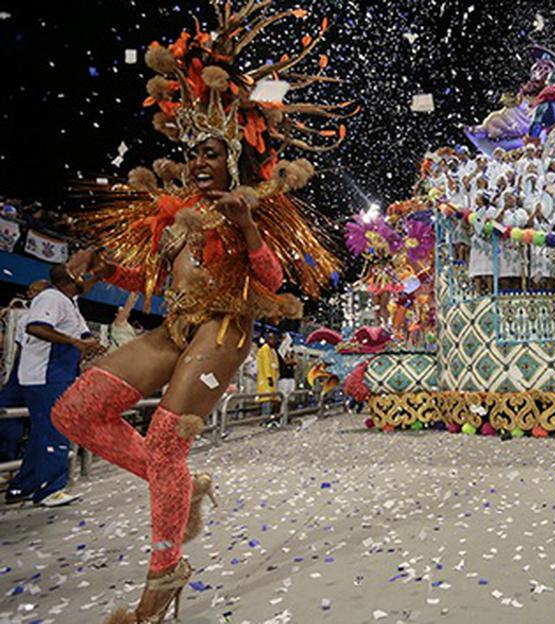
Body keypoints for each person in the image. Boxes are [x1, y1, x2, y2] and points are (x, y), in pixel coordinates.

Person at [46, 3, 353, 621]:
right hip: (176, 325)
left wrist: (249, 231)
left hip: (226, 328)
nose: (200, 163)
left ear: (232, 157)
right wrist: (109, 270)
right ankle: (184, 488)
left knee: (165, 441)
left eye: (211, 153)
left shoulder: (249, 207)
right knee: (73, 411)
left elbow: (271, 281)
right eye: (194, 154)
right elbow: (159, 282)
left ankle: (163, 578)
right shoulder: (173, 215)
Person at [5, 267, 104, 506]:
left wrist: (91, 345)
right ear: (69, 280)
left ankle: (23, 487)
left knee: (42, 435)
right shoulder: (51, 297)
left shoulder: (70, 303)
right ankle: (49, 489)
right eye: (80, 276)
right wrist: (74, 343)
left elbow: (82, 336)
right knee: (54, 431)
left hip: (59, 374)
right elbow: (36, 327)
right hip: (46, 375)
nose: (83, 279)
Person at [0, 279, 49, 465]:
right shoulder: (23, 318)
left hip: (43, 371)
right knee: (7, 409)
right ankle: (7, 456)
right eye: (29, 289)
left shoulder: (55, 314)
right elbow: (20, 347)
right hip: (22, 369)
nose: (30, 293)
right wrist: (13, 373)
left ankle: (28, 462)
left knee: (39, 420)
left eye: (35, 291)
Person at [256, 333, 281, 424]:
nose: (274, 341)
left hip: (273, 378)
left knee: (271, 400)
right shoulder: (265, 349)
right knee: (266, 400)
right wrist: (269, 377)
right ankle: (264, 420)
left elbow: (275, 365)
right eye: (272, 339)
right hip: (266, 379)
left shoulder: (272, 350)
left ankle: (269, 419)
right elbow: (266, 364)